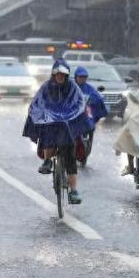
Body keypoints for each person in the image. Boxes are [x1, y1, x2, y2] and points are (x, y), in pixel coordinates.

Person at [23, 59, 92, 204]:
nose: (60, 77)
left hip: (68, 124)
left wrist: (70, 115)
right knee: (47, 134)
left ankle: (73, 191)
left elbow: (80, 103)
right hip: (51, 122)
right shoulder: (46, 87)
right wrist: (45, 114)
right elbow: (37, 103)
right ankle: (47, 161)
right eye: (57, 74)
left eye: (63, 74)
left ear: (66, 76)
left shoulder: (73, 87)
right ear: (53, 74)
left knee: (70, 159)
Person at [74, 66, 108, 163]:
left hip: (85, 114)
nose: (82, 79)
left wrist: (97, 101)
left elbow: (97, 97)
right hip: (73, 114)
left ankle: (85, 145)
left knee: (90, 123)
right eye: (80, 77)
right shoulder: (71, 87)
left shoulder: (89, 88)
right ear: (76, 77)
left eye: (84, 77)